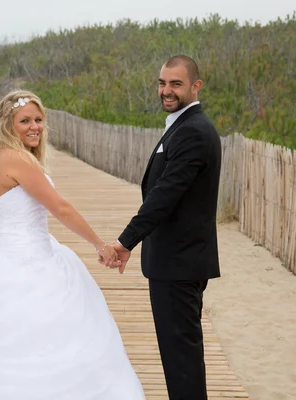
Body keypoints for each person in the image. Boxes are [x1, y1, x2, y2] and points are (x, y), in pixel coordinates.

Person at [0, 90, 145, 399]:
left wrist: (12, 237)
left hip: (4, 262)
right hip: (31, 264)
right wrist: (100, 245)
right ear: (8, 124)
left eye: (39, 120)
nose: (35, 126)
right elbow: (60, 208)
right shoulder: (19, 159)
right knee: (46, 342)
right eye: (25, 121)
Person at [106, 55, 222, 400]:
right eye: (162, 83)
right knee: (178, 356)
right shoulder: (181, 126)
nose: (166, 91)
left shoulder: (195, 133)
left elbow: (164, 195)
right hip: (174, 261)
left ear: (196, 86)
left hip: (180, 263)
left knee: (181, 357)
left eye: (176, 84)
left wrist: (124, 242)